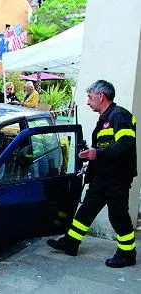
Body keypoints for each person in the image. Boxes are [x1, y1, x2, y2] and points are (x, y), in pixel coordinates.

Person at [47, 80, 137, 268]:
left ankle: (127, 253)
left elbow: (126, 144)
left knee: (118, 216)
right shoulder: (105, 118)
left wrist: (98, 153)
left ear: (101, 96)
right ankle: (71, 243)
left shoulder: (120, 116)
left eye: (90, 97)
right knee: (86, 210)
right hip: (102, 177)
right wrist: (91, 156)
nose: (88, 102)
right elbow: (106, 147)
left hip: (117, 178)